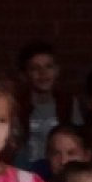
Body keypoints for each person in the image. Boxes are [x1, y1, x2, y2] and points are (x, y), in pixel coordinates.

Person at [15, 40, 80, 168]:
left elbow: (78, 140)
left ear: (57, 70)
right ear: (24, 74)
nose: (43, 73)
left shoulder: (67, 102)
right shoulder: (17, 104)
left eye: (48, 67)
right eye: (35, 68)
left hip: (60, 168)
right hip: (27, 169)